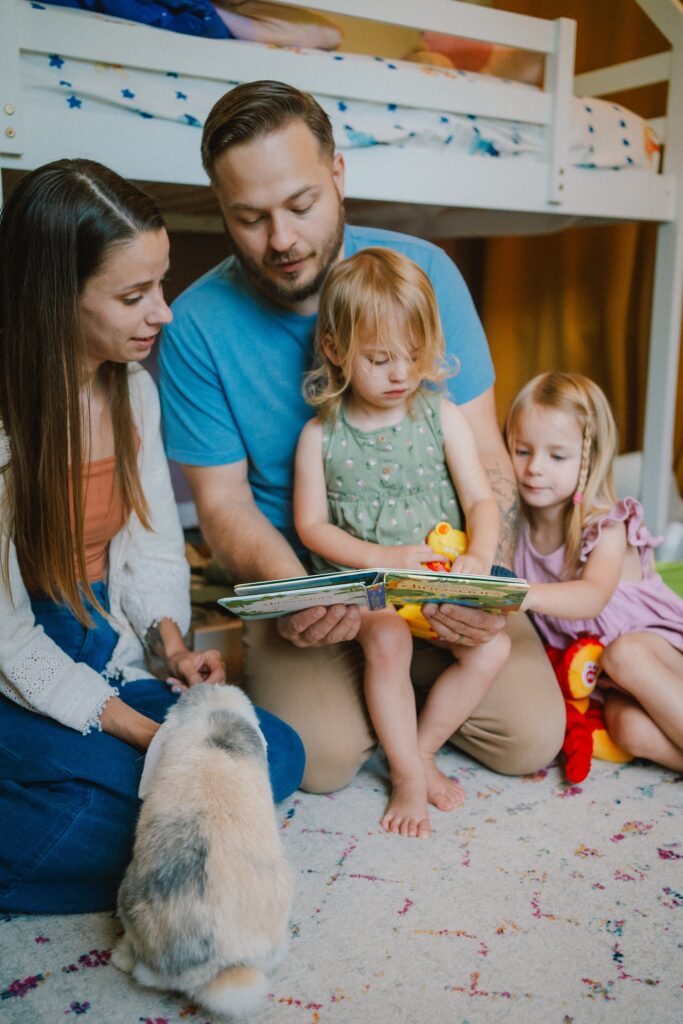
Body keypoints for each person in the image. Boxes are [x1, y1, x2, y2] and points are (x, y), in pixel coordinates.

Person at [159, 80, 565, 795]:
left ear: (337, 176)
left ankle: (403, 710)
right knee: (318, 763)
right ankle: (381, 711)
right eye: (248, 217)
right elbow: (221, 505)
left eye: (300, 205)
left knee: (530, 738)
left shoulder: (425, 274)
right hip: (311, 577)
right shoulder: (195, 325)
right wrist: (294, 594)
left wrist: (478, 578)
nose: (280, 239)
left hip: (435, 569)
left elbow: (485, 461)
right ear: (220, 209)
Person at [0, 159, 304, 915]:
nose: (163, 313)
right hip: (13, 660)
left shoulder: (130, 388)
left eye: (160, 285)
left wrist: (170, 645)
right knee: (171, 801)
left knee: (275, 755)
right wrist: (149, 738)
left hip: (95, 638)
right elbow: (7, 638)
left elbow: (155, 548)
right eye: (135, 295)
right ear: (52, 301)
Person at [294, 248, 511, 837]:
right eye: (380, 358)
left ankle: (424, 749)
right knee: (388, 639)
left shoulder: (440, 415)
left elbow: (482, 501)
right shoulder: (321, 436)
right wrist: (383, 560)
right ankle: (408, 776)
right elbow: (312, 526)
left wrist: (479, 558)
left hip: (439, 579)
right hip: (370, 589)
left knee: (492, 650)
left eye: (413, 356)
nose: (399, 374)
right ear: (337, 350)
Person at [505, 371, 683, 772]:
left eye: (556, 455)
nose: (535, 468)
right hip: (611, 680)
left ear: (590, 458)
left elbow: (592, 597)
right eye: (522, 451)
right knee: (628, 729)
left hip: (661, 655)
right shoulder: (515, 529)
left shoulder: (605, 524)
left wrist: (523, 593)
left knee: (627, 654)